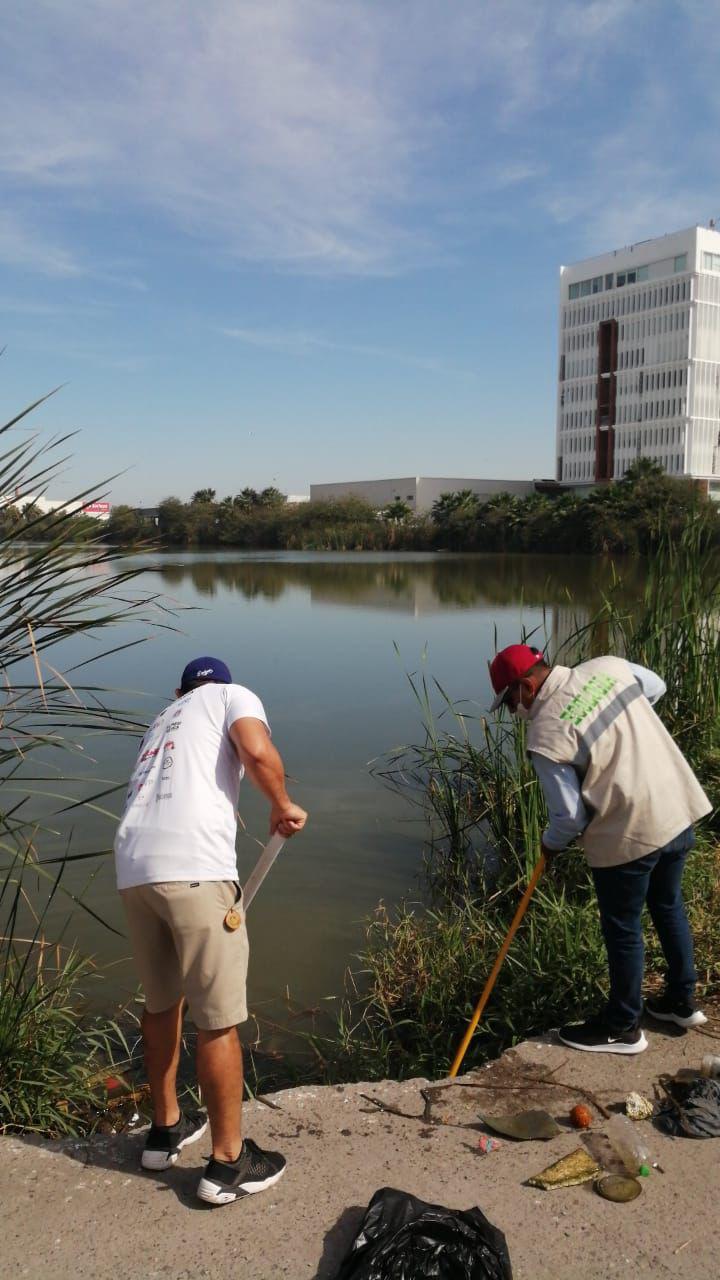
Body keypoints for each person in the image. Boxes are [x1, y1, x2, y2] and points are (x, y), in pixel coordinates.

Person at [114, 655, 307, 1204]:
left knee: (161, 1004)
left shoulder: (163, 718)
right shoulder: (231, 695)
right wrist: (281, 803)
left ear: (179, 690)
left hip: (133, 868)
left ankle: (164, 1130)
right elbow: (256, 748)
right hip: (195, 868)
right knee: (218, 1020)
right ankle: (227, 1163)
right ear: (219, 685)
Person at [488, 643, 711, 1054]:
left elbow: (570, 818)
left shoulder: (545, 734)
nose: (511, 712)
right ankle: (682, 1002)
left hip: (630, 829)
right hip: (675, 803)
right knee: (668, 904)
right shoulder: (608, 667)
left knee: (623, 928)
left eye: (509, 701)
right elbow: (656, 687)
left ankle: (624, 1026)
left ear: (526, 687)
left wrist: (548, 846)